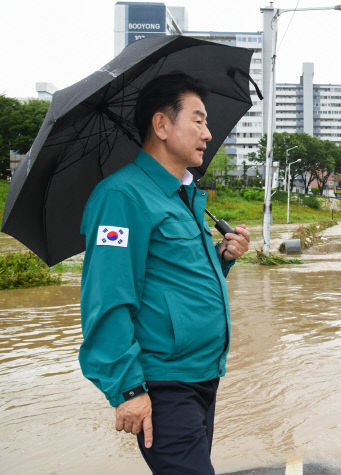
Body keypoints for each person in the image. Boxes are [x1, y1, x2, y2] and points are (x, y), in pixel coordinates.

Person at [79, 72, 250, 474]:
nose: (207, 133)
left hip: (202, 377)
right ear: (161, 125)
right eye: (198, 120)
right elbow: (107, 298)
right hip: (163, 386)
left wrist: (222, 257)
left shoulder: (181, 196)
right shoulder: (121, 197)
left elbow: (177, 281)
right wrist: (129, 389)